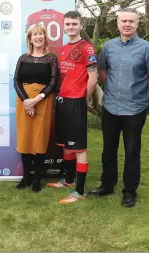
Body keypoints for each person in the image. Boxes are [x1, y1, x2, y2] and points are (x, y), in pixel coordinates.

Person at [90, 8, 149, 208]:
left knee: (132, 151)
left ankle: (129, 191)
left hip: (135, 108)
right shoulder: (109, 47)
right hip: (111, 106)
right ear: (118, 24)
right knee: (108, 149)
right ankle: (107, 184)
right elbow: (102, 72)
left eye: (131, 21)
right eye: (123, 21)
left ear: (137, 24)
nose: (127, 24)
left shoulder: (147, 48)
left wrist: (134, 91)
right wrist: (114, 90)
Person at [46, 11, 98, 203]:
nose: (71, 27)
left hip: (76, 101)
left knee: (79, 148)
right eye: (68, 24)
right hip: (62, 101)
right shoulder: (63, 48)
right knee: (66, 146)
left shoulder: (87, 48)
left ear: (81, 26)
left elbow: (93, 78)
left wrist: (85, 98)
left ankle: (80, 191)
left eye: (74, 24)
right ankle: (68, 180)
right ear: (63, 26)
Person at [13, 23, 58, 193]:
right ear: (30, 38)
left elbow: (53, 82)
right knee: (25, 139)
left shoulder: (51, 58)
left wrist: (37, 99)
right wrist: (26, 101)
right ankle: (26, 178)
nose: (38, 37)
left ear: (45, 37)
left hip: (43, 102)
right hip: (24, 102)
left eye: (41, 34)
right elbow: (16, 80)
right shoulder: (23, 58)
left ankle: (37, 179)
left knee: (40, 139)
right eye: (35, 34)